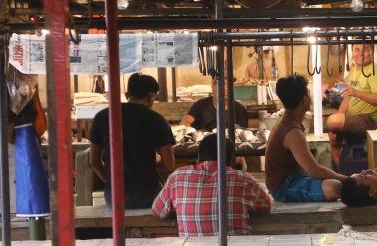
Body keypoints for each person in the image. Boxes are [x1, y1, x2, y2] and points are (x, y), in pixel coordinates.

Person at [152, 134, 271, 236]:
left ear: (198, 157)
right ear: (231, 160)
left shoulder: (178, 176)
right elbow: (265, 206)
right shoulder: (243, 179)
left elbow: (158, 211)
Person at [89, 73, 175, 208]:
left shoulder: (102, 117)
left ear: (128, 94)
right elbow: (169, 164)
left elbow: (94, 162)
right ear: (151, 96)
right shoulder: (157, 120)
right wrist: (155, 164)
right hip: (147, 194)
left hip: (114, 197)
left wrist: (111, 183)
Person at [265, 75, 346, 202]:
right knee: (334, 187)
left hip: (296, 179)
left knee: (334, 182)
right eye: (308, 94)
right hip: (284, 187)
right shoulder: (291, 131)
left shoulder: (289, 122)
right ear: (304, 100)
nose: (310, 98)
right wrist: (347, 179)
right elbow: (314, 171)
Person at [326, 43, 377, 138]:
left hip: (373, 121)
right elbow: (347, 98)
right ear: (352, 52)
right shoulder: (353, 70)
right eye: (357, 50)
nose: (360, 54)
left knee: (334, 121)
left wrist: (356, 93)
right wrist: (333, 128)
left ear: (371, 52)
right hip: (357, 117)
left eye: (365, 50)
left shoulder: (375, 70)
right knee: (332, 127)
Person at [180, 75, 249, 131]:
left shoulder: (240, 109)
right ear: (213, 87)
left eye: (229, 84)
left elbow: (243, 131)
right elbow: (185, 122)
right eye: (222, 84)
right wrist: (192, 132)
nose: (226, 88)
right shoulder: (201, 105)